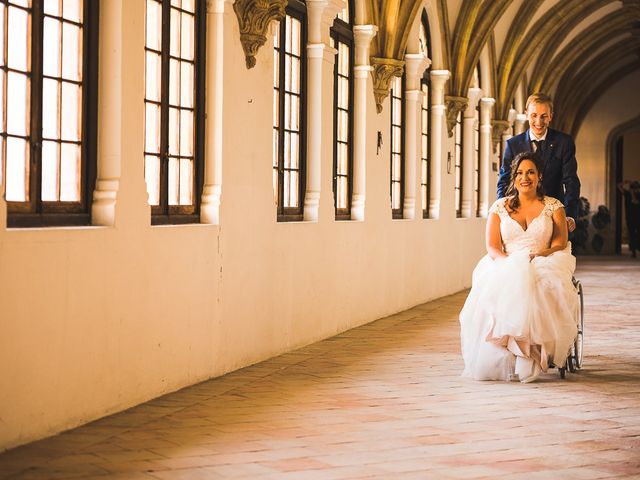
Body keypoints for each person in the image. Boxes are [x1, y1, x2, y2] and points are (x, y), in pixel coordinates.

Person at [460, 152, 578, 383]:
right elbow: (493, 246)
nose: (525, 177)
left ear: (540, 176)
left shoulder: (553, 206)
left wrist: (537, 255)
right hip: (507, 260)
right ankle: (505, 350)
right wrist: (509, 263)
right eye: (520, 173)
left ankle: (532, 351)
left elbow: (559, 243)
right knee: (500, 284)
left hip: (543, 258)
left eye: (531, 172)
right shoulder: (500, 207)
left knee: (542, 286)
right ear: (513, 178)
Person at [497, 93, 581, 232]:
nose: (538, 121)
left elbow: (571, 181)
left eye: (544, 116)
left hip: (554, 216)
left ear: (551, 116)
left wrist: (570, 215)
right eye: (534, 115)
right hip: (520, 216)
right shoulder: (513, 145)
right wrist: (503, 212)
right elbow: (504, 180)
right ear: (526, 114)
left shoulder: (564, 143)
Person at [618, 180, 640, 257]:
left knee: (637, 234)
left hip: (638, 218)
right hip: (630, 218)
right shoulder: (627, 194)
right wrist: (626, 182)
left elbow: (635, 201)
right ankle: (633, 252)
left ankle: (636, 248)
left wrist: (632, 193)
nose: (635, 190)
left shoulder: (638, 195)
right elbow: (619, 186)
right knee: (632, 235)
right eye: (634, 188)